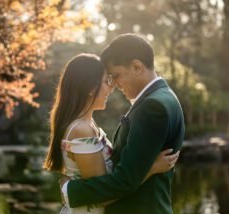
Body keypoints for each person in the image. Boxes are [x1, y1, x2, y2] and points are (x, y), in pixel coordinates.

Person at [60, 34, 185, 214]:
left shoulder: (152, 107)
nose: (114, 85)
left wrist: (69, 191)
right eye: (108, 79)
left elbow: (126, 180)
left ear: (137, 67)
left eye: (116, 76)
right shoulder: (162, 97)